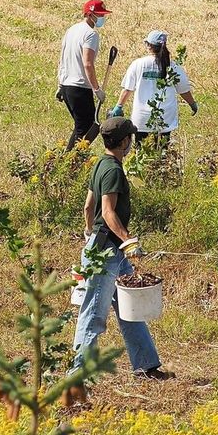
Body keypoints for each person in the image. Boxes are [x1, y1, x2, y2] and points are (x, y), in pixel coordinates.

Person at [71, 116, 175, 381]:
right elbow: (107, 211)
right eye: (131, 139)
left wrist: (88, 233)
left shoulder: (100, 164)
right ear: (126, 141)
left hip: (109, 247)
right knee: (94, 312)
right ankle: (78, 373)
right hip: (107, 250)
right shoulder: (113, 170)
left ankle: (146, 365)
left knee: (130, 307)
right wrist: (128, 240)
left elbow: (88, 206)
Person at [109, 30, 197, 144]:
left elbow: (128, 88)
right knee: (162, 150)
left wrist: (119, 106)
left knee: (141, 151)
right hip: (164, 117)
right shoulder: (173, 66)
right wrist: (192, 104)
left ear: (149, 45)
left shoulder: (139, 64)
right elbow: (183, 89)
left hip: (142, 117)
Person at [57, 0, 111, 149]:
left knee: (81, 126)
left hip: (68, 85)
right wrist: (96, 89)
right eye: (100, 14)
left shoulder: (71, 30)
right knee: (86, 127)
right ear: (90, 14)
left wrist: (60, 84)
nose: (102, 18)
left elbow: (61, 58)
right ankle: (71, 160)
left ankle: (71, 159)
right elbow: (87, 63)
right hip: (80, 87)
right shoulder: (90, 34)